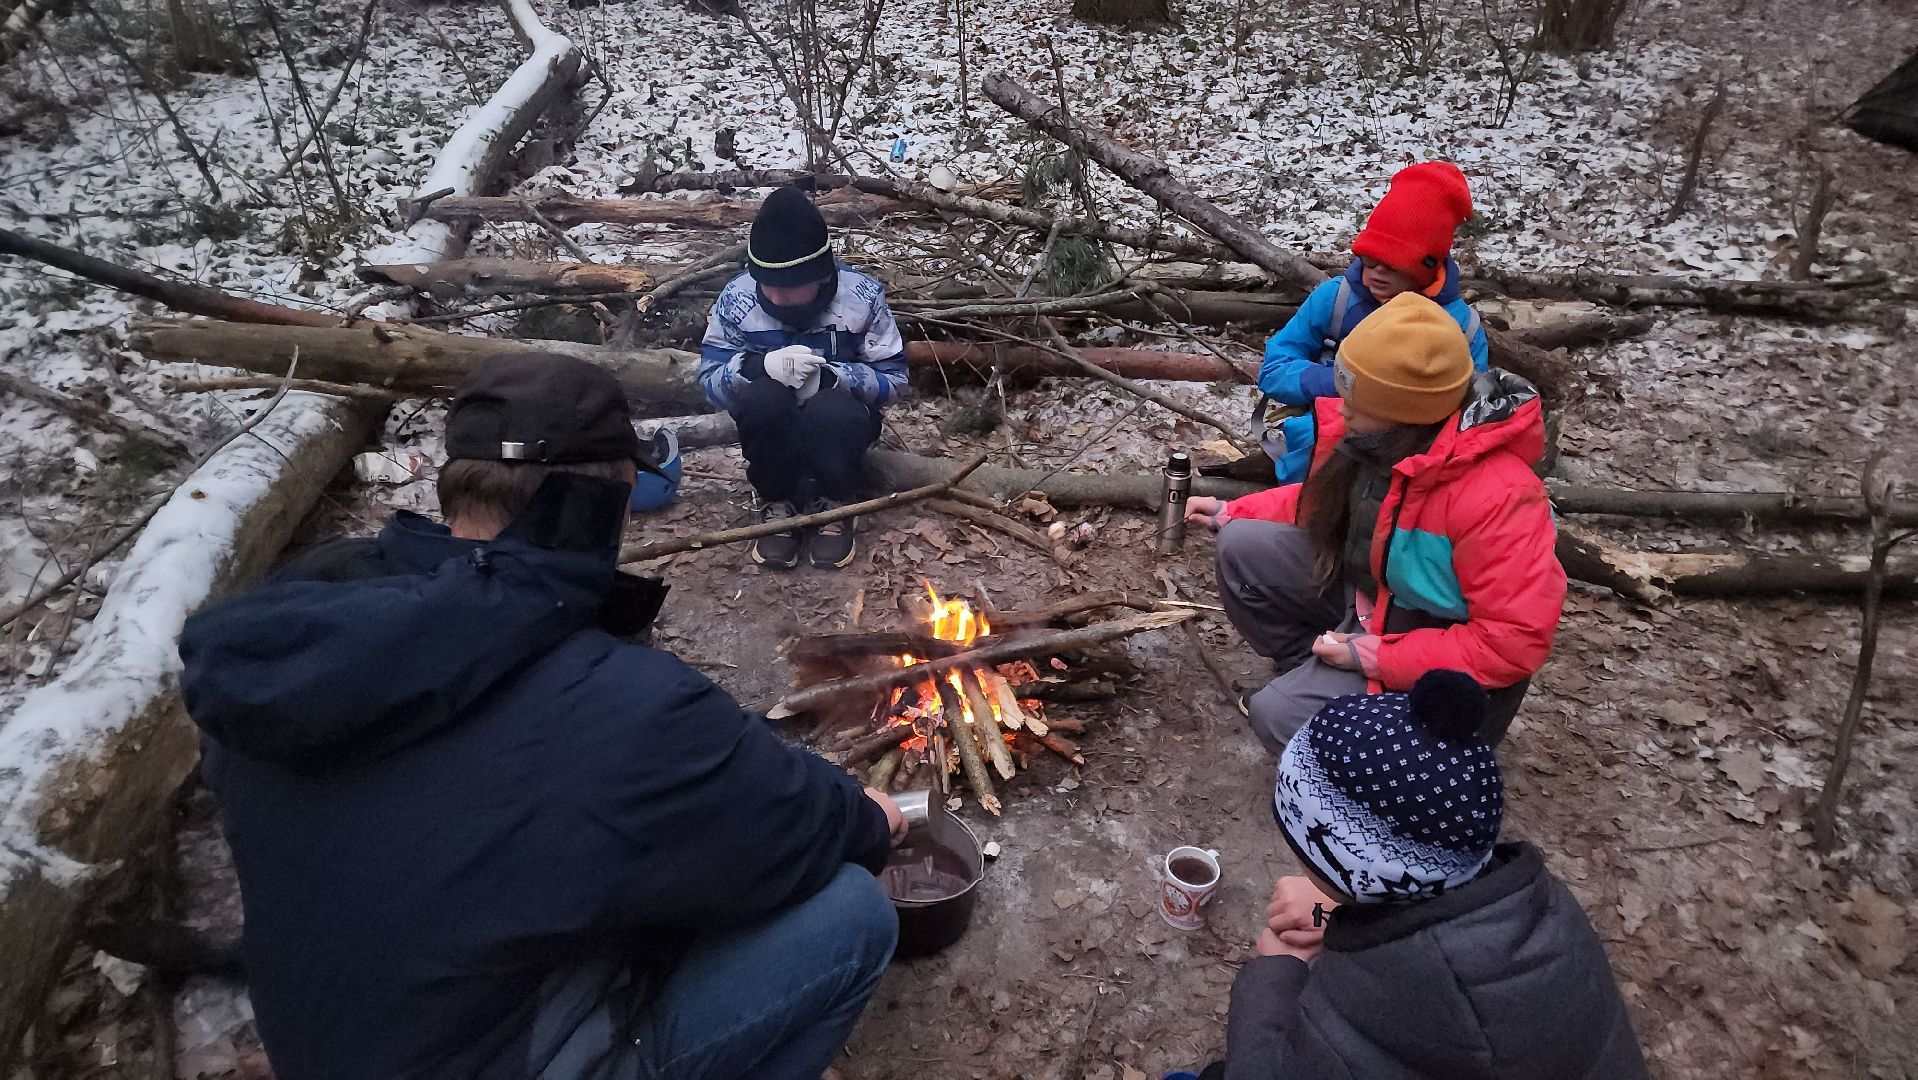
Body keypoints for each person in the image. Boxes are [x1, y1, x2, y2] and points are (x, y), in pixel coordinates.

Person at [178, 353, 907, 1080]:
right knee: (850, 917)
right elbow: (791, 831)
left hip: (329, 1039)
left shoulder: (299, 636)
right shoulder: (620, 706)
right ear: (604, 507)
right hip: (501, 1056)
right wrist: (872, 818)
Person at [1202, 671, 1649, 1079]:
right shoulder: (1536, 900)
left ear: (1346, 865)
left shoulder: (1406, 996)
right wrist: (1336, 908)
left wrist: (1278, 974)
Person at [1185, 292, 1564, 754]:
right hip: (1375, 600)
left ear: (1406, 411)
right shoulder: (1382, 442)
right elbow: (1321, 505)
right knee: (1242, 545)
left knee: (1278, 718)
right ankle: (1311, 670)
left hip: (1447, 673)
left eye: (1356, 401)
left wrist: (1375, 657)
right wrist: (1233, 512)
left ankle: (1406, 757)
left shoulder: (1500, 496)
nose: (1340, 409)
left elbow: (1512, 643)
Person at [700, 185, 908, 570]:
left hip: (841, 425)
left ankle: (835, 501)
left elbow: (894, 381)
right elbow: (710, 381)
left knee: (830, 409)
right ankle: (778, 500)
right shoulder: (737, 299)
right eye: (769, 285)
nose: (777, 298)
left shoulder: (860, 296)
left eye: (791, 287)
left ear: (820, 274)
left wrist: (835, 378)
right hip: (771, 428)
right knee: (762, 399)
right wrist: (754, 369)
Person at [1256, 161, 1490, 483]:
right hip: (1319, 439)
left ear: (1426, 265)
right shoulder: (1335, 299)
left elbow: (1470, 415)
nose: (1377, 272)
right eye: (1369, 258)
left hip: (1411, 458)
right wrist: (1339, 384)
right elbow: (1273, 369)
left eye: (1392, 264)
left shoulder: (1463, 328)